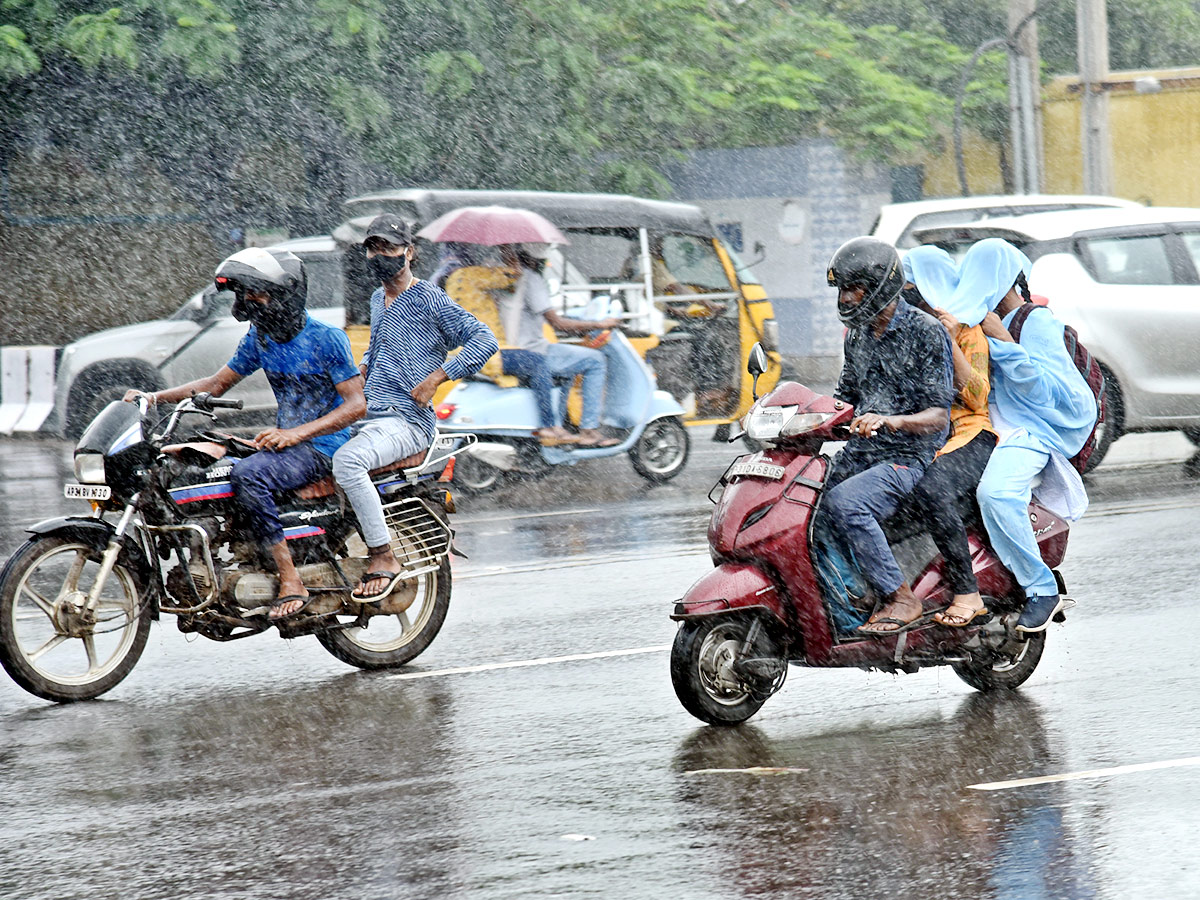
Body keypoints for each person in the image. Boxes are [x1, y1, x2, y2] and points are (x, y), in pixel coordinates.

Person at [125, 247, 366, 619]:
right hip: (288, 443)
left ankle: (290, 579)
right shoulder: (261, 338)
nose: (247, 301)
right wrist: (153, 397)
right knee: (196, 466)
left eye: (254, 292)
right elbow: (215, 384)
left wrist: (297, 434)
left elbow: (355, 406)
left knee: (249, 475)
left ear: (285, 293)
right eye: (243, 294)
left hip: (322, 446)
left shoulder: (325, 338)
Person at [333, 214, 498, 601]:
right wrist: (358, 373)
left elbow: (484, 339)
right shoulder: (377, 298)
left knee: (348, 463)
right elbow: (379, 347)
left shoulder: (429, 298)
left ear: (409, 252)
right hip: (370, 415)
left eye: (388, 248)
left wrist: (438, 377)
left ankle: (383, 555)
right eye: (373, 249)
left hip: (407, 422)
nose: (379, 256)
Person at [959, 238, 1097, 632]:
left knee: (996, 493)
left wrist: (1002, 340)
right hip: (991, 424)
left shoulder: (1034, 321)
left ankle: (1040, 588)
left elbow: (1046, 392)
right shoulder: (973, 320)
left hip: (1037, 428)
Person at [820, 237, 955, 636]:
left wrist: (890, 421)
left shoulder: (925, 332)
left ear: (879, 285)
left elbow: (938, 416)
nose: (845, 299)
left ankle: (901, 597)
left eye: (853, 288)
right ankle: (853, 590)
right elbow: (843, 398)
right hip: (862, 451)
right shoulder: (857, 336)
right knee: (803, 496)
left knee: (846, 504)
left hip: (908, 457)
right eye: (841, 289)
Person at [902, 246, 998, 627]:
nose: (906, 293)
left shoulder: (967, 328)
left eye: (913, 285)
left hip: (969, 433)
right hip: (923, 435)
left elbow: (976, 396)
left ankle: (967, 591)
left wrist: (951, 339)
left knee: (931, 486)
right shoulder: (904, 329)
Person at [443, 252, 577, 446]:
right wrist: (510, 252)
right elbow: (514, 274)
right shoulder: (474, 275)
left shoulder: (455, 281)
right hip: (487, 352)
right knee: (538, 362)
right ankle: (549, 425)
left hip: (466, 351)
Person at [496, 243, 623, 447]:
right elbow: (558, 323)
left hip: (510, 348)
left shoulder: (503, 277)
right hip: (533, 351)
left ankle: (561, 424)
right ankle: (588, 430)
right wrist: (598, 324)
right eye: (543, 261)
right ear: (534, 260)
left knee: (570, 367)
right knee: (595, 360)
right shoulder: (531, 279)